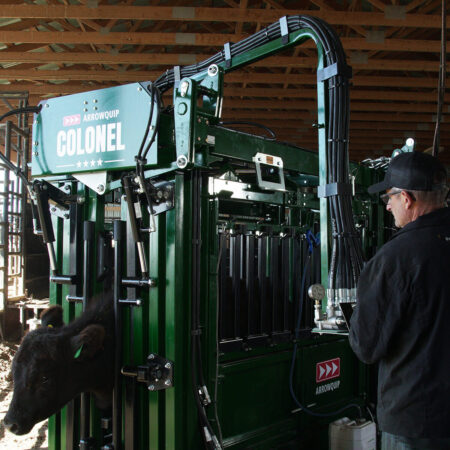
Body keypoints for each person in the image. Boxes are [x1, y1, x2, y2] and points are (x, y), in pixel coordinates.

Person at [348, 151, 450, 450]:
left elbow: (367, 346)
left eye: (390, 197)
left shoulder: (395, 258)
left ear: (407, 198)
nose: (389, 205)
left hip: (417, 419)